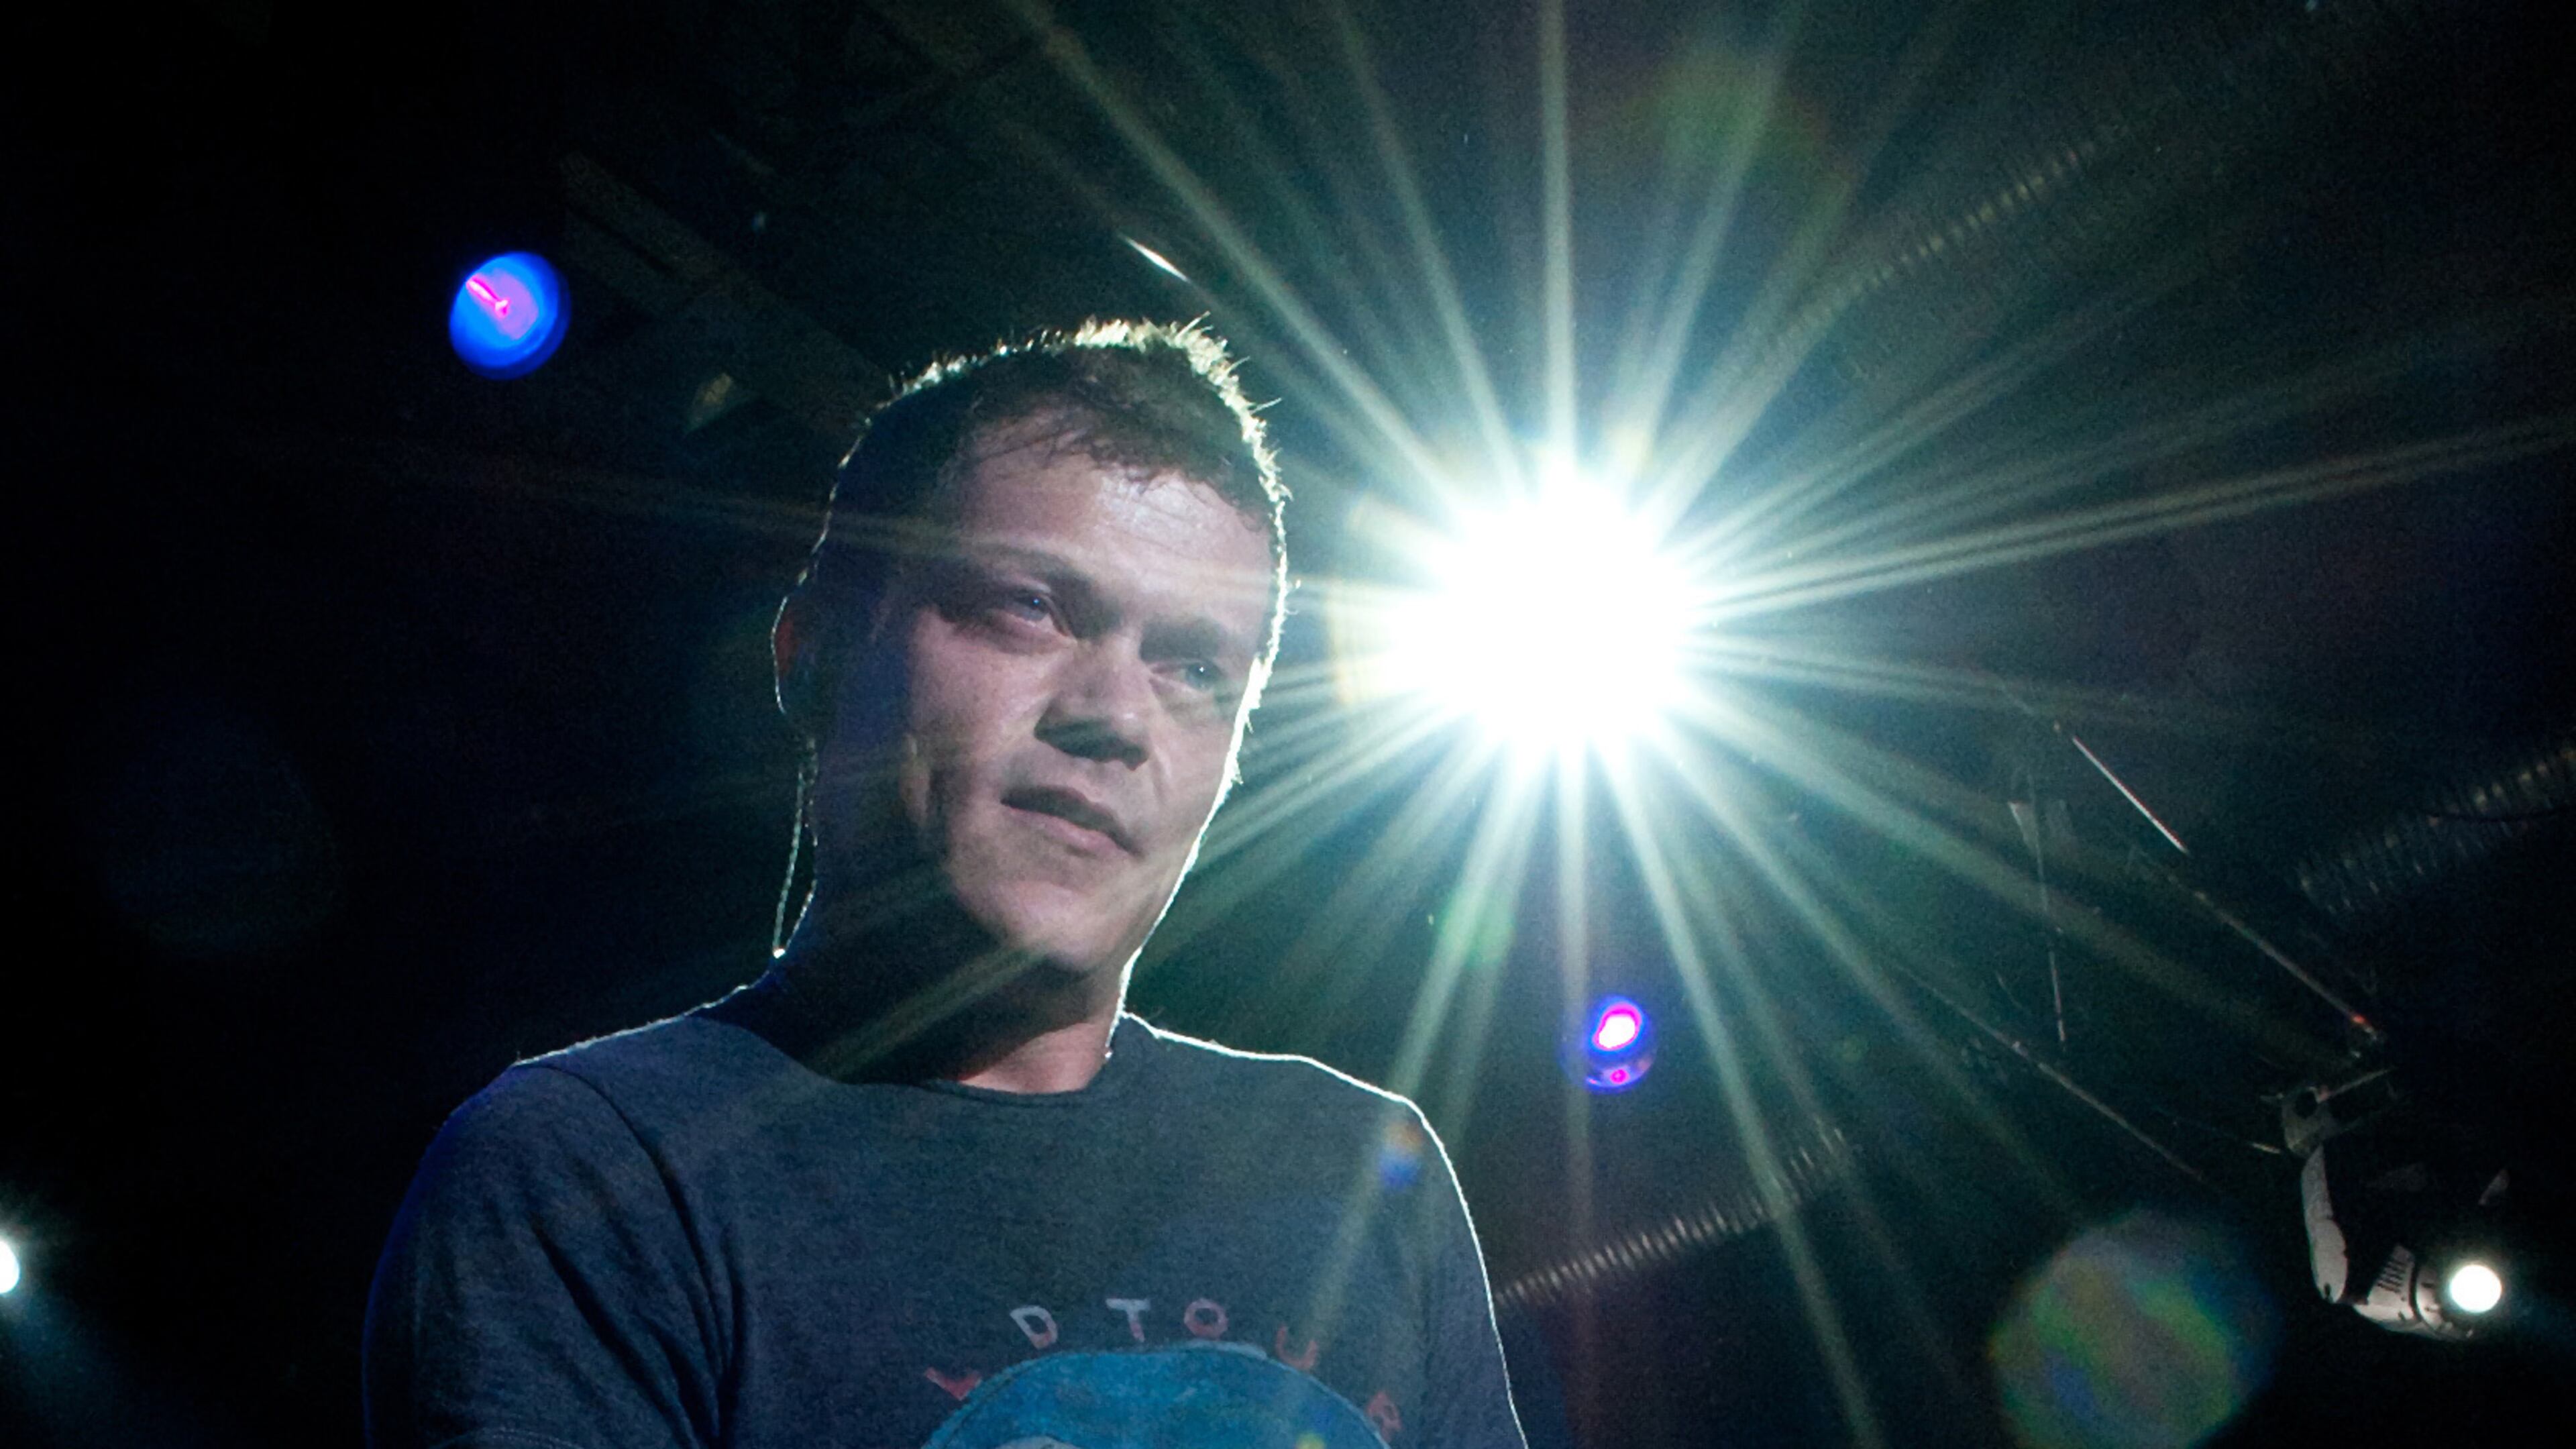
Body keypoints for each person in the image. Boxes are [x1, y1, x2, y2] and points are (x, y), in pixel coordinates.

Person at [364, 320, 1529, 1449]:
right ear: (813, 651)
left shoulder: (1360, 1171)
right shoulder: (591, 1177)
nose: (1115, 716)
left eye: (1193, 668)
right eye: (1030, 608)